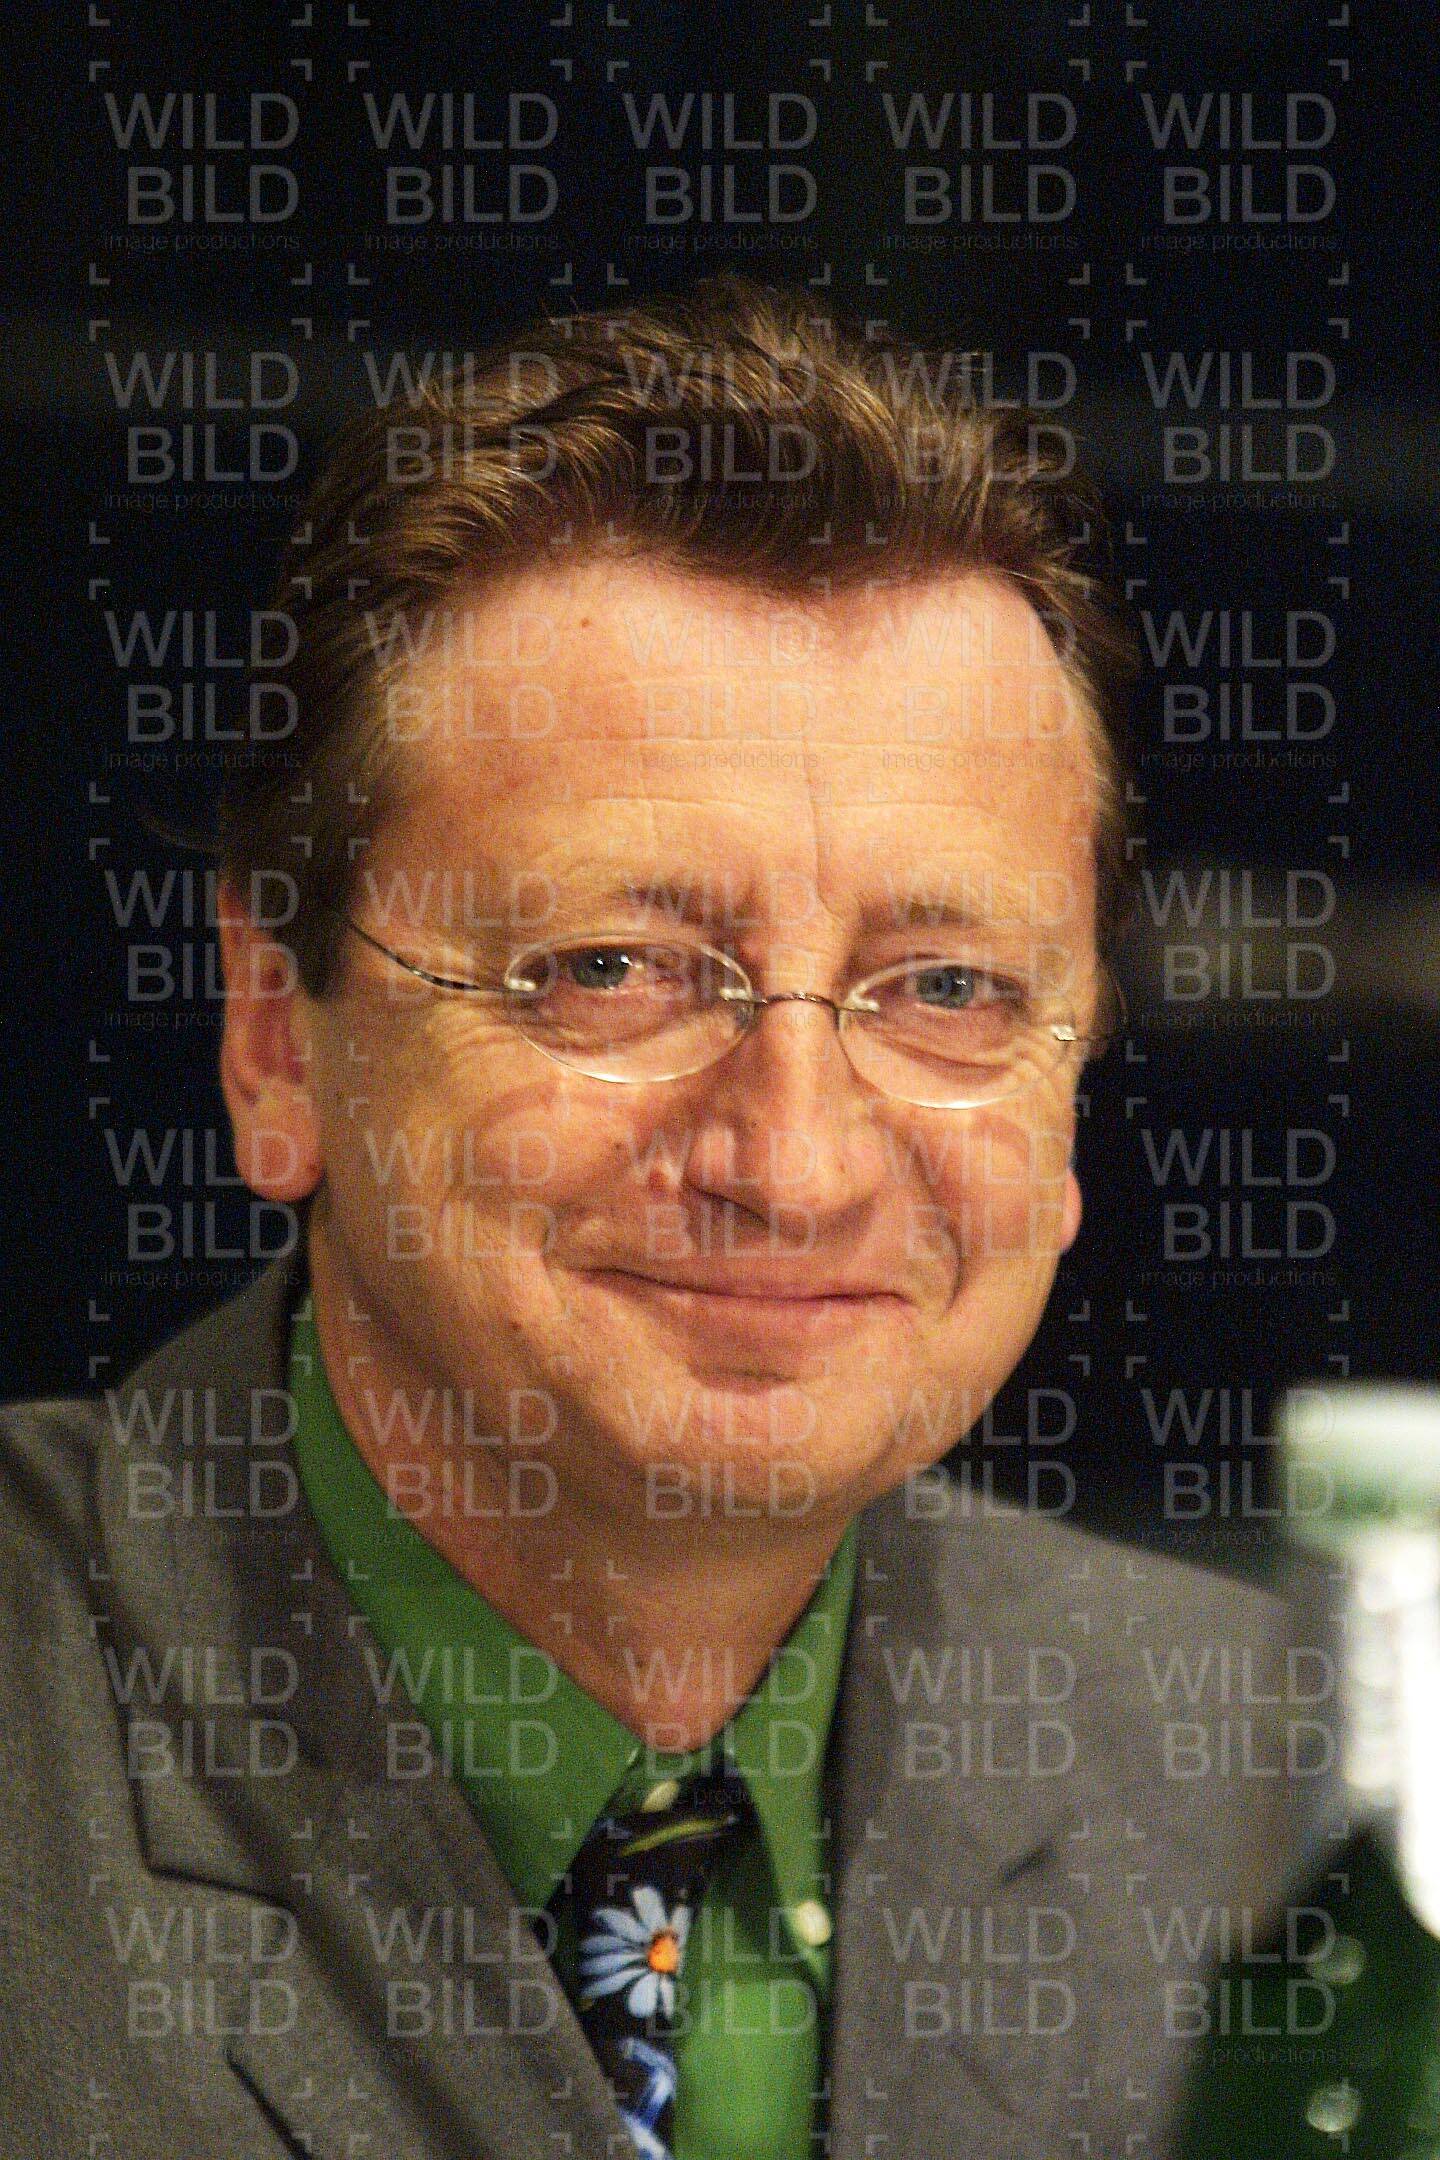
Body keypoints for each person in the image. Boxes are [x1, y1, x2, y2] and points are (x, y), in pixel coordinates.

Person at [1, 277, 1299, 2159]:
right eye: (613, 969)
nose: (798, 1165)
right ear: (278, 1034)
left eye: (946, 990)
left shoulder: (1303, 1791)